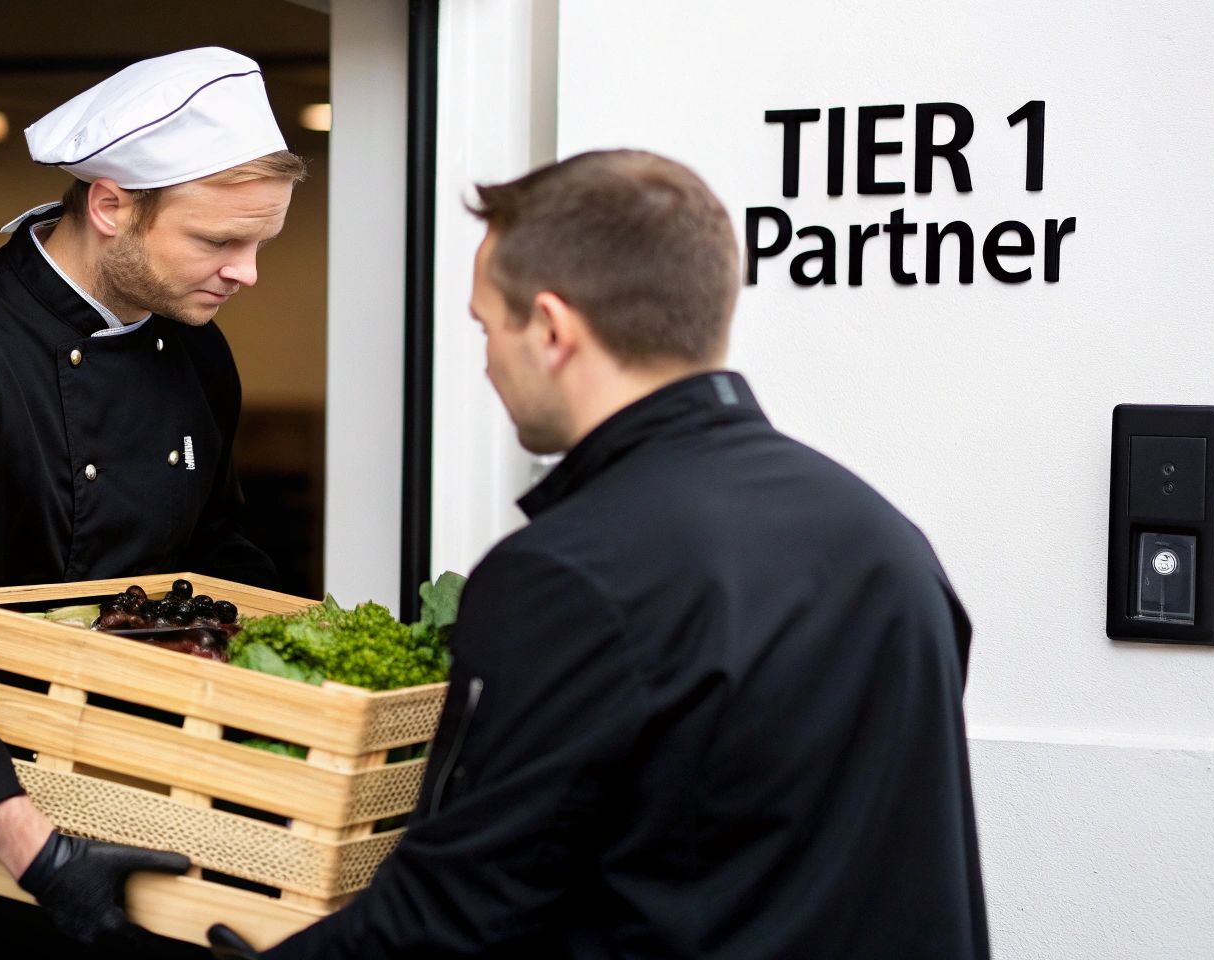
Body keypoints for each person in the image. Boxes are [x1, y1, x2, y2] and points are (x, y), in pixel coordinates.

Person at [207, 150, 990, 959]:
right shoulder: (889, 542)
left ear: (551, 329)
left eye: (486, 327)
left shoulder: (569, 575)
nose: (484, 363)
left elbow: (450, 922)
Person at [0, 47, 303, 953]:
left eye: (260, 241)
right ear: (111, 205)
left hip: (144, 790)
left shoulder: (196, 347)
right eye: (220, 241)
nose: (247, 272)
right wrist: (45, 861)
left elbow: (219, 556)